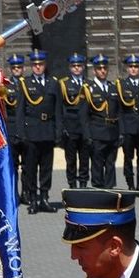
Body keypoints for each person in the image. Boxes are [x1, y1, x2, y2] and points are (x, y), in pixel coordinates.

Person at [16, 49, 58, 214]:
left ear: (44, 65)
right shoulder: (25, 84)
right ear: (32, 66)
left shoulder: (52, 83)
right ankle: (33, 199)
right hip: (31, 132)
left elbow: (58, 110)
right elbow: (20, 111)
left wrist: (58, 130)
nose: (38, 67)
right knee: (31, 168)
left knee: (47, 168)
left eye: (40, 64)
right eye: (35, 65)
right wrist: (21, 132)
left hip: (47, 131)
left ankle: (44, 198)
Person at [78, 54, 120, 189]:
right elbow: (83, 115)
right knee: (97, 164)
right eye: (99, 68)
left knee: (110, 164)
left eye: (104, 68)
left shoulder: (113, 87)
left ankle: (109, 190)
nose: (102, 71)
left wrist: (121, 133)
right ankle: (98, 189)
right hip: (97, 132)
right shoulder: (88, 89)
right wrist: (87, 135)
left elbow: (119, 112)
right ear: (95, 70)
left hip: (112, 132)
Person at [57, 53, 90, 189]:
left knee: (84, 159)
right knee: (71, 160)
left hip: (85, 127)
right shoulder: (64, 84)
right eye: (74, 66)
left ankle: (83, 185)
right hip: (70, 127)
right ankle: (72, 185)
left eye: (79, 66)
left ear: (83, 67)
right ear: (70, 67)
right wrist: (62, 127)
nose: (77, 68)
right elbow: (60, 107)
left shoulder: (89, 83)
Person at [116, 54, 139, 192]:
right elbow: (120, 111)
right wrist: (121, 131)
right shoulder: (122, 85)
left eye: (136, 66)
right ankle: (130, 184)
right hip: (128, 128)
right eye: (131, 67)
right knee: (128, 158)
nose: (134, 69)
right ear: (127, 68)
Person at [0, 53, 25, 205]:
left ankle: (27, 193)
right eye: (14, 67)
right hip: (11, 128)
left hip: (26, 128)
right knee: (13, 165)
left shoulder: (28, 83)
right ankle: (14, 194)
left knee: (28, 167)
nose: (17, 70)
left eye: (19, 67)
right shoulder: (6, 86)